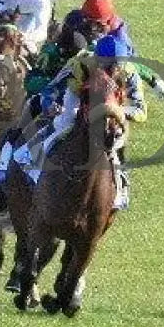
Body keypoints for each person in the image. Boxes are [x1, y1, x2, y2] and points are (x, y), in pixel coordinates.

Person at [12, 34, 147, 208]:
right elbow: (50, 89)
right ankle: (34, 159)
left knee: (116, 136)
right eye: (106, 65)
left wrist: (117, 112)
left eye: (116, 65)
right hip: (78, 96)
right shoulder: (80, 64)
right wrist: (50, 104)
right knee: (65, 121)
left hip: (113, 105)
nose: (111, 70)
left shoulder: (130, 73)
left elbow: (141, 110)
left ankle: (121, 186)